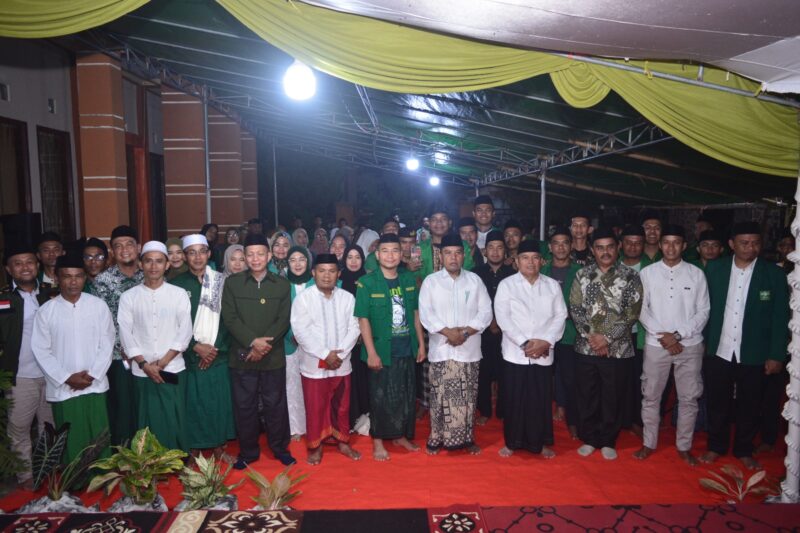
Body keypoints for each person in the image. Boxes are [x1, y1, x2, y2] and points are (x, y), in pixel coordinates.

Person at [701, 221, 789, 470]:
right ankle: (716, 446)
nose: (751, 247)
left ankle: (743, 449)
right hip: (719, 348)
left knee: (750, 404)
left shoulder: (773, 274)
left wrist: (776, 354)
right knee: (717, 402)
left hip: (754, 352)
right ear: (731, 244)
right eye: (744, 243)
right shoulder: (715, 270)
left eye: (755, 243)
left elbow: (780, 317)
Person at [634, 225, 710, 466]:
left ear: (684, 246)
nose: (670, 247)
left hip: (689, 345)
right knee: (650, 396)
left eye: (676, 242)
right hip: (656, 345)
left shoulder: (696, 274)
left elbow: (703, 311)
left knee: (689, 398)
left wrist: (677, 335)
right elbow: (641, 309)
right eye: (666, 242)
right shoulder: (648, 273)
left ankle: (684, 446)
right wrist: (664, 336)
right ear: (660, 244)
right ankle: (648, 443)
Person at [32, 253, 114, 464]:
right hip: (63, 388)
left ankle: (101, 479)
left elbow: (107, 343)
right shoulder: (46, 311)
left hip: (94, 384)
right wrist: (66, 377)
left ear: (85, 277)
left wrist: (93, 374)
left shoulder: (98, 306)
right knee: (71, 439)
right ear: (57, 278)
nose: (73, 281)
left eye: (78, 276)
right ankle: (75, 482)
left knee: (98, 435)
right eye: (67, 276)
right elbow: (41, 350)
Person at [221, 233, 295, 468]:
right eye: (250, 254)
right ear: (244, 257)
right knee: (245, 406)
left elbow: (283, 320)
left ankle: (280, 448)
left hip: (272, 356)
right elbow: (230, 318)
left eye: (260, 254)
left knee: (276, 404)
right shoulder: (232, 283)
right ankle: (248, 452)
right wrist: (253, 342)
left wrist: (264, 346)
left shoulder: (282, 284)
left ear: (269, 256)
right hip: (242, 355)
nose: (255, 259)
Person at [569, 227, 643, 460]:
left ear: (618, 247)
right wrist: (593, 337)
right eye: (600, 248)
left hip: (618, 349)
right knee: (587, 394)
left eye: (610, 247)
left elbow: (632, 313)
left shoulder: (630, 276)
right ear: (592, 250)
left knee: (613, 395)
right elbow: (575, 309)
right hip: (586, 346)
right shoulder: (582, 275)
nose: (605, 252)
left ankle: (609, 439)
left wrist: (607, 338)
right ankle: (590, 438)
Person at [354, 233, 426, 461]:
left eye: (395, 250)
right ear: (377, 255)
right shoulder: (366, 283)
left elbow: (415, 314)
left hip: (406, 346)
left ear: (401, 254)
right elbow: (363, 319)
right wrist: (371, 353)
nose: (390, 255)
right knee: (380, 396)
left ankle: (400, 435)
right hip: (381, 350)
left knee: (405, 394)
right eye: (385, 251)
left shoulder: (408, 279)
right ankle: (377, 439)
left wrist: (421, 344)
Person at [419, 233, 492, 455]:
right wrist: (448, 332)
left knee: (468, 396)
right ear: (441, 256)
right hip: (442, 349)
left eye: (458, 253)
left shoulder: (474, 280)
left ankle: (467, 437)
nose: (453, 257)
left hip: (468, 349)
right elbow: (425, 314)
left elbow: (486, 312)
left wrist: (464, 332)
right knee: (440, 396)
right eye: (448, 253)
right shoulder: (431, 282)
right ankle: (437, 437)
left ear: (464, 255)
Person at [495, 240, 567, 458]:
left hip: (544, 352)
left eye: (535, 258)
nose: (530, 262)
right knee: (515, 398)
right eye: (525, 258)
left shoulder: (552, 285)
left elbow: (560, 315)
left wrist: (546, 342)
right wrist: (525, 343)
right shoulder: (507, 285)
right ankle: (512, 442)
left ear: (542, 261)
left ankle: (539, 443)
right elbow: (503, 318)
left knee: (540, 399)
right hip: (515, 353)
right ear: (517, 261)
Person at [118, 241, 193, 451]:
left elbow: (184, 331)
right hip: (141, 371)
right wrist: (144, 364)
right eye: (148, 261)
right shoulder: (129, 297)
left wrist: (162, 363)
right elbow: (126, 333)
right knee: (145, 417)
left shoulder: (179, 294)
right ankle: (147, 463)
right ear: (140, 264)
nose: (153, 266)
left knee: (174, 416)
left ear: (167, 264)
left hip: (172, 367)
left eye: (159, 261)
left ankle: (176, 461)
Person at [169, 235, 236, 461]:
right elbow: (173, 324)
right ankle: (194, 448)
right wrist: (195, 347)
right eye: (192, 252)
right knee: (193, 404)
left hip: (218, 355)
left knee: (218, 402)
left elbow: (230, 319)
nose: (198, 257)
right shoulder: (176, 286)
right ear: (186, 256)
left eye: (202, 251)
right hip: (190, 357)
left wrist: (214, 349)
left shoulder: (220, 282)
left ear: (209, 254)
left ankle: (219, 447)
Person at [292, 253, 362, 465]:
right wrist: (325, 354)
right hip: (314, 364)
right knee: (316, 406)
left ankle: (342, 441)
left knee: (341, 405)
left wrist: (338, 355)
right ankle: (315, 445)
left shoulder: (347, 298)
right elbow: (300, 331)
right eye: (321, 271)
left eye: (332, 271)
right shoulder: (304, 298)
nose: (326, 275)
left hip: (342, 363)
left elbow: (355, 327)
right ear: (313, 273)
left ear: (339, 274)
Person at [0, 242, 56, 488]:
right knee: (19, 429)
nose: (25, 267)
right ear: (8, 269)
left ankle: (50, 473)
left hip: (51, 374)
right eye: (18, 263)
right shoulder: (3, 299)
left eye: (30, 262)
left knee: (49, 427)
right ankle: (25, 478)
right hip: (20, 376)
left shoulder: (50, 293)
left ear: (37, 264)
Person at [92, 225, 144, 446]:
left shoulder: (149, 275)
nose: (124, 250)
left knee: (145, 405)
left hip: (149, 355)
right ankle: (123, 456)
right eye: (118, 246)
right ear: (112, 251)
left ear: (138, 247)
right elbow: (100, 324)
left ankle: (149, 453)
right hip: (118, 357)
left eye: (129, 244)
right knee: (122, 408)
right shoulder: (102, 281)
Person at [542, 227, 582, 438]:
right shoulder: (541, 270)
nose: (560, 247)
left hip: (569, 333)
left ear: (572, 245)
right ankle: (547, 410)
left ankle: (569, 415)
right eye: (556, 243)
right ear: (550, 247)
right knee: (545, 375)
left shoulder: (581, 272)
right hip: (544, 333)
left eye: (565, 242)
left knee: (569, 376)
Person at [473, 230, 515, 425]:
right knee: (483, 372)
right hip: (482, 332)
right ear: (485, 251)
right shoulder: (475, 274)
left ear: (505, 251)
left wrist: (501, 322)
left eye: (500, 248)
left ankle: (505, 410)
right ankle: (485, 411)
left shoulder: (514, 274)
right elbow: (472, 303)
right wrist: (489, 321)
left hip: (508, 333)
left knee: (507, 372)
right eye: (491, 247)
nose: (495, 252)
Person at [618, 225, 652, 437]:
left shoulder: (652, 268)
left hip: (641, 332)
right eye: (628, 242)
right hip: (615, 333)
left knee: (639, 377)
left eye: (637, 242)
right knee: (617, 377)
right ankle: (618, 417)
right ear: (621, 244)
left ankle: (636, 419)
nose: (633, 246)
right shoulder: (611, 265)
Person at [284, 246, 314, 440]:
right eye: (292, 259)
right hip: (289, 342)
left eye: (301, 259)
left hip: (314, 344)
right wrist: (291, 334)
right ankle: (295, 428)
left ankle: (315, 426)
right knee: (292, 386)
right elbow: (278, 316)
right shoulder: (281, 285)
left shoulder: (317, 283)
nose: (297, 263)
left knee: (313, 387)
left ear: (308, 261)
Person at [340, 244, 370, 426]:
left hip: (364, 338)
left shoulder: (368, 280)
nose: (353, 261)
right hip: (344, 338)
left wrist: (362, 332)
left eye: (357, 257)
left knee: (363, 377)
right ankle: (349, 416)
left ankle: (365, 414)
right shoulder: (338, 279)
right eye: (349, 257)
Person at [419, 206, 475, 279]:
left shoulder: (463, 245)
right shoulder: (420, 248)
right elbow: (417, 276)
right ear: (428, 224)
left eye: (443, 219)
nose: (439, 222)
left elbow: (468, 271)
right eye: (434, 219)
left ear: (450, 222)